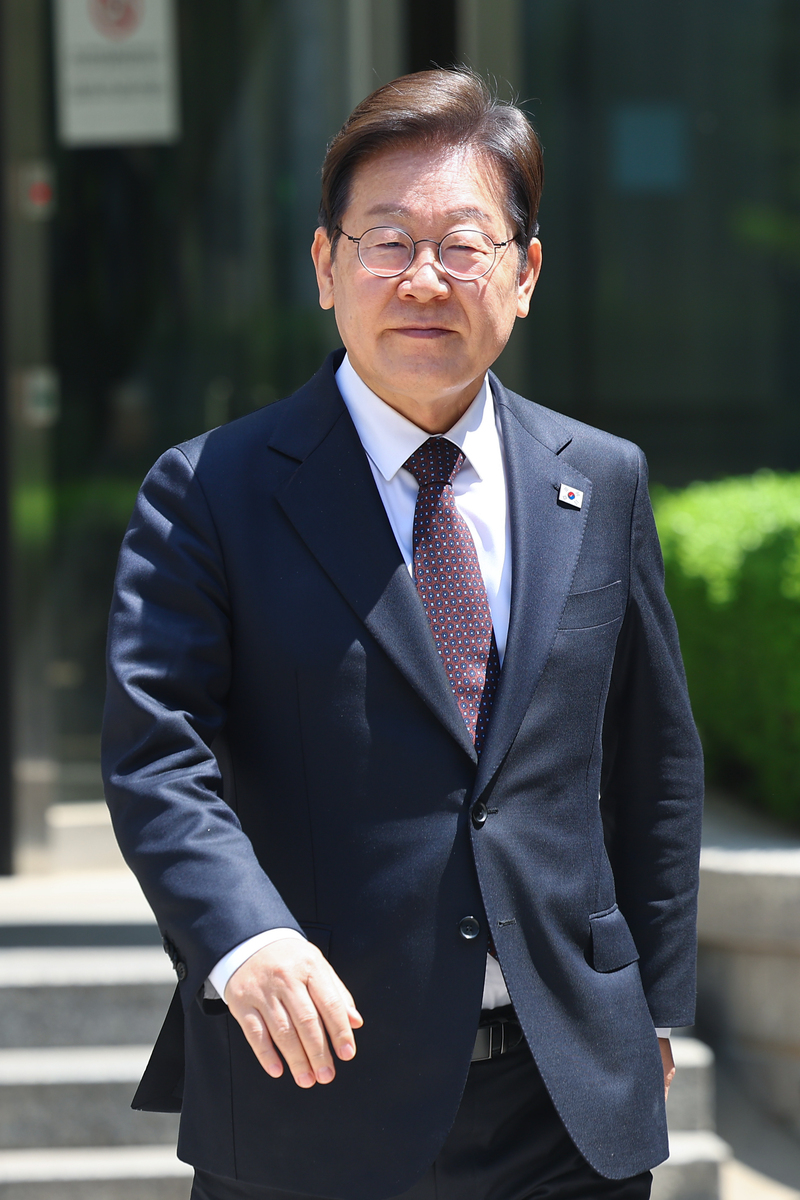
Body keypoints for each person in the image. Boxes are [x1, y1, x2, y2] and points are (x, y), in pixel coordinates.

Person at [102, 69, 703, 1200]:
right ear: (324, 266)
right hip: (313, 1089)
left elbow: (652, 762)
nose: (424, 278)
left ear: (524, 275)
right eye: (386, 240)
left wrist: (657, 1006)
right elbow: (157, 757)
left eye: (463, 245)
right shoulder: (211, 490)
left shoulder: (602, 479)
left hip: (565, 1106)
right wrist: (243, 939)